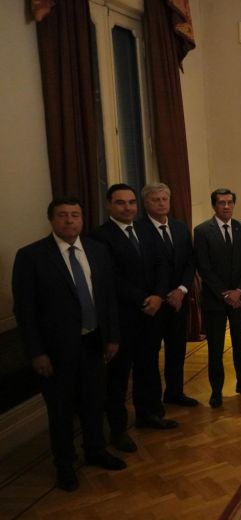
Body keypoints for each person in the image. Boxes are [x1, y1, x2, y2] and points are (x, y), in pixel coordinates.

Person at [12, 198, 127, 491]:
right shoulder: (31, 256)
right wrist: (37, 352)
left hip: (93, 343)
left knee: (93, 401)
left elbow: (108, 298)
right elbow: (25, 310)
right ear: (51, 219)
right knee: (61, 411)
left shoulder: (97, 250)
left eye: (75, 215)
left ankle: (95, 450)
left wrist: (112, 336)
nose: (70, 221)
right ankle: (64, 464)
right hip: (55, 351)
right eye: (63, 216)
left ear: (82, 219)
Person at [91, 184, 177, 454]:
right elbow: (110, 278)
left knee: (148, 366)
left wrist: (159, 295)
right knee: (118, 378)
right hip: (123, 318)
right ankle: (118, 431)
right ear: (109, 206)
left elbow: (163, 264)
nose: (127, 207)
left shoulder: (143, 228)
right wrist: (144, 299)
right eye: (120, 203)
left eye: (131, 202)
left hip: (151, 313)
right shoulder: (100, 237)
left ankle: (148, 414)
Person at [194, 188, 241, 408]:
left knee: (240, 343)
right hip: (215, 300)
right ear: (214, 205)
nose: (226, 206)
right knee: (215, 347)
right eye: (221, 203)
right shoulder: (202, 231)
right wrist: (225, 293)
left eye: (230, 202)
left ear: (234, 204)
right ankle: (216, 390)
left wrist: (238, 291)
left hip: (240, 299)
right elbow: (204, 268)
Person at [137, 183, 198, 408]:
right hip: (152, 304)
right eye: (155, 200)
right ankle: (152, 403)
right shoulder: (138, 230)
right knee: (150, 356)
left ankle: (175, 393)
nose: (161, 203)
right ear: (145, 203)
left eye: (164, 199)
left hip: (178, 302)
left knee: (177, 350)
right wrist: (161, 295)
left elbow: (190, 261)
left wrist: (182, 290)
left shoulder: (180, 227)